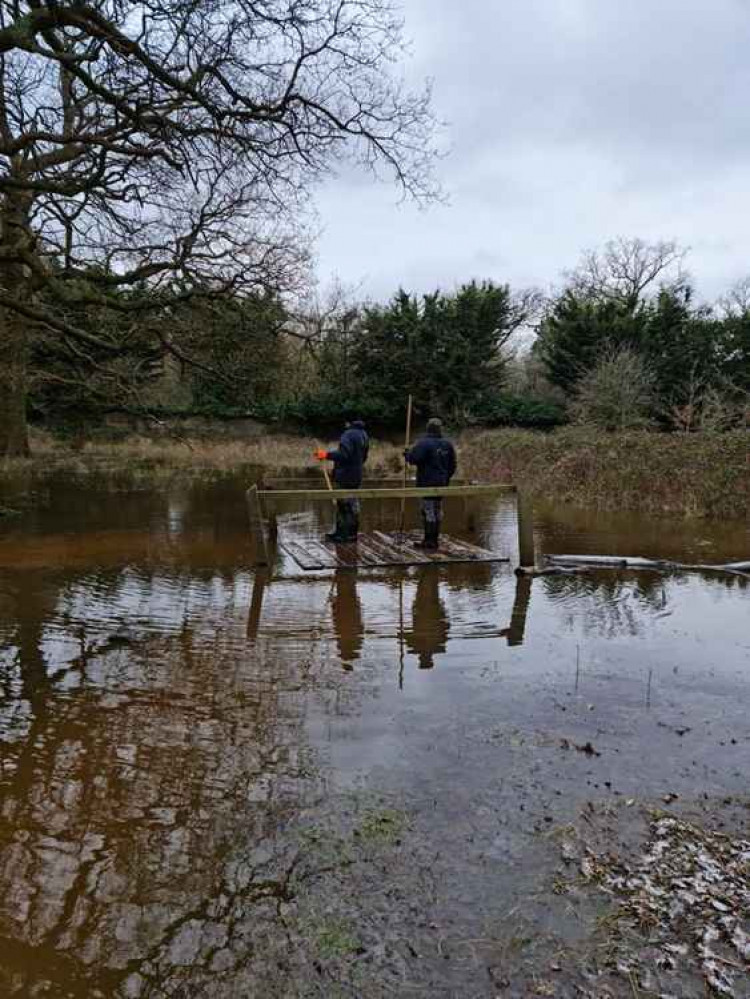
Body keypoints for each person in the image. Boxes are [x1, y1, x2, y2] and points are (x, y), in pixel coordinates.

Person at [404, 418, 457, 550]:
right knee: (437, 510)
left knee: (428, 510)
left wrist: (407, 454)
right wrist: (446, 478)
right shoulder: (447, 444)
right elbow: (453, 465)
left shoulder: (424, 443)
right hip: (442, 483)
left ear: (428, 428)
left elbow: (414, 459)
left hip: (427, 483)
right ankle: (433, 540)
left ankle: (430, 541)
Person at [315, 417, 369, 542]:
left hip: (345, 475)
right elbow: (364, 457)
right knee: (353, 505)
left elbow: (344, 455)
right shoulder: (364, 434)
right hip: (357, 475)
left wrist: (326, 455)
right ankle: (351, 534)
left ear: (347, 423)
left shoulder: (348, 434)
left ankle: (342, 535)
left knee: (344, 505)